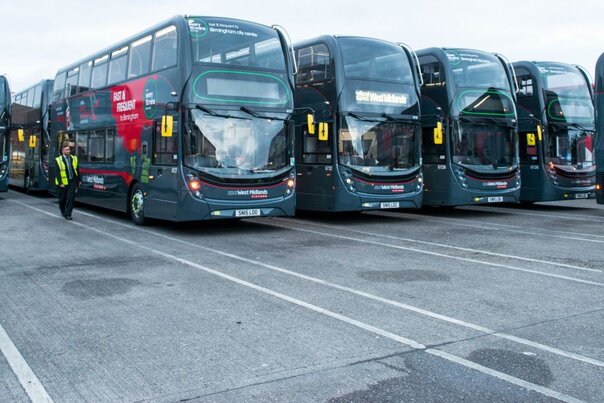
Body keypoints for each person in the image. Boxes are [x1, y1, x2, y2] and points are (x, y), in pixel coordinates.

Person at [52, 143, 80, 220]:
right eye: (67, 150)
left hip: (72, 182)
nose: (69, 151)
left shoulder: (74, 158)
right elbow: (57, 172)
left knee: (70, 199)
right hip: (63, 184)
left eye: (69, 149)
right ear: (63, 151)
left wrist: (79, 180)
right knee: (62, 199)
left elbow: (77, 170)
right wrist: (60, 182)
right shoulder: (58, 160)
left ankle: (68, 214)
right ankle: (63, 211)